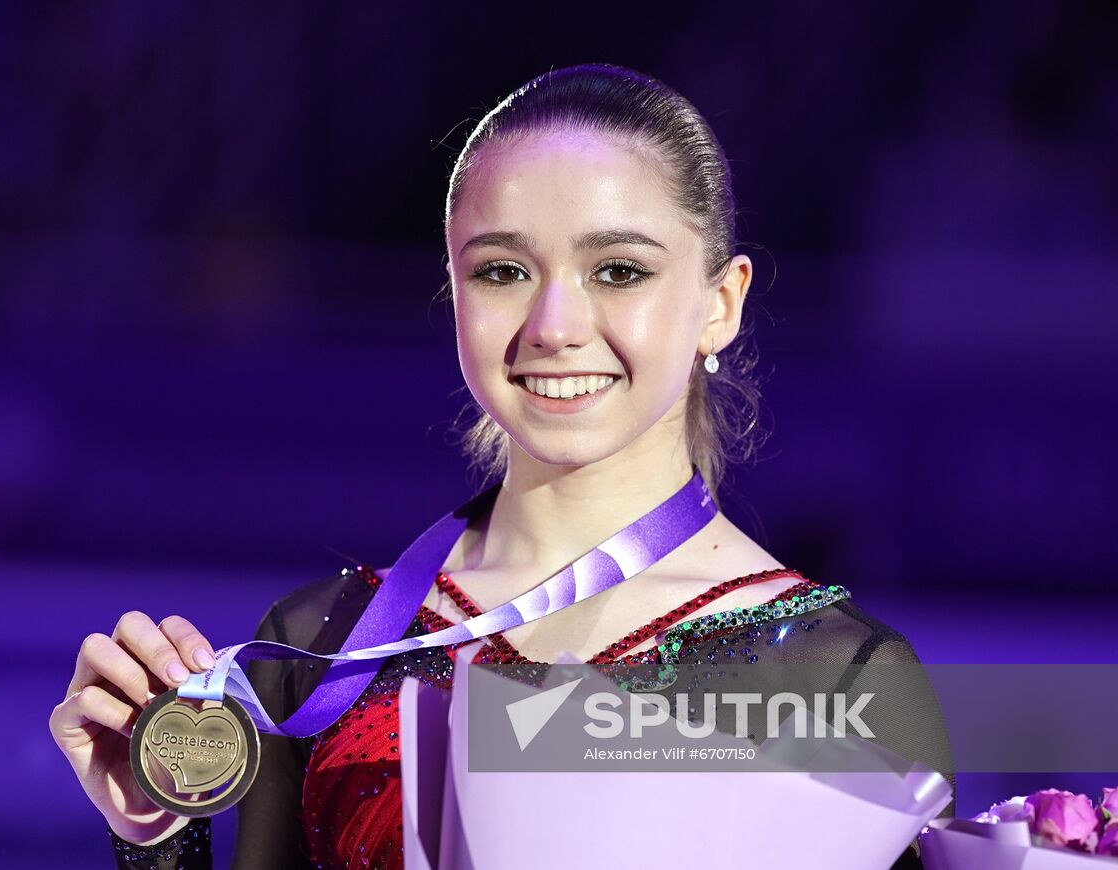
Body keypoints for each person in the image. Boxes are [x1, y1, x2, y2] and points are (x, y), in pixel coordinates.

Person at [48, 63, 955, 869]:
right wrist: (154, 837)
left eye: (620, 271)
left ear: (720, 304)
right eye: (502, 272)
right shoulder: (327, 644)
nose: (554, 324)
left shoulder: (840, 682)